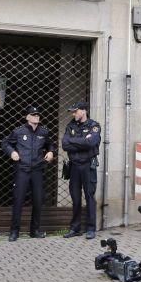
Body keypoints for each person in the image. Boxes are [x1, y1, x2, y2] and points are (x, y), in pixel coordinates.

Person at [1, 105, 56, 242]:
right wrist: (12, 152)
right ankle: (14, 232)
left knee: (38, 200)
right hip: (22, 170)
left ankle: (34, 230)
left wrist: (50, 152)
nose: (36, 116)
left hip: (37, 170)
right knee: (18, 200)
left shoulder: (44, 132)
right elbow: (5, 143)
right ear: (27, 117)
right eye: (33, 114)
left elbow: (50, 144)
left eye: (38, 114)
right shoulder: (19, 132)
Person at [61, 101, 101, 240]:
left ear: (83, 111)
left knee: (90, 197)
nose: (73, 114)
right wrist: (83, 141)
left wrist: (75, 141)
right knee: (75, 197)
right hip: (74, 166)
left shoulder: (94, 126)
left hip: (88, 166)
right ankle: (75, 228)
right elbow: (65, 144)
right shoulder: (70, 125)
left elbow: (91, 143)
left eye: (75, 111)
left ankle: (91, 228)